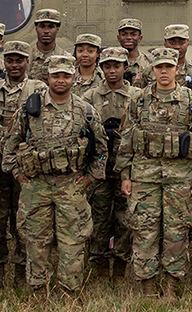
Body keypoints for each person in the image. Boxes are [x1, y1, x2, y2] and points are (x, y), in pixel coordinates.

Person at [118, 47, 192, 303]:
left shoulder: (191, 100)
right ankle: (148, 285)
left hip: (180, 177)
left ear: (177, 69)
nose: (164, 71)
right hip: (144, 176)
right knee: (144, 230)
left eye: (169, 66)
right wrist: (125, 174)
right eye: (160, 67)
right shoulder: (138, 100)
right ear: (153, 70)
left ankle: (171, 285)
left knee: (177, 231)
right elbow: (126, 139)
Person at [7, 55, 99, 296]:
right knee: (35, 241)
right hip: (37, 186)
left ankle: (70, 292)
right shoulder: (30, 109)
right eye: (55, 75)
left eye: (66, 76)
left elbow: (102, 152)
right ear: (47, 77)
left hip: (71, 186)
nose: (60, 80)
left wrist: (89, 178)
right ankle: (39, 291)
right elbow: (10, 147)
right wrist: (19, 177)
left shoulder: (86, 111)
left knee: (73, 241)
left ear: (74, 78)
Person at [0, 40, 46, 288]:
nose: (14, 65)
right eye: (10, 60)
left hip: (25, 165)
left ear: (27, 62)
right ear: (4, 62)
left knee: (24, 219)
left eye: (19, 60)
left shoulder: (38, 89)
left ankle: (20, 270)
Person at [85, 47, 140, 281]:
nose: (112, 71)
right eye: (107, 66)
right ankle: (98, 265)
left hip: (127, 168)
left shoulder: (137, 96)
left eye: (116, 66)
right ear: (101, 68)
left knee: (124, 217)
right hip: (99, 167)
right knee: (98, 217)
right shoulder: (90, 97)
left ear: (125, 67)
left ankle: (119, 266)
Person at [27, 9, 67, 83]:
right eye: (42, 27)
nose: (46, 31)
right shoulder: (26, 57)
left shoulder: (65, 58)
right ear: (36, 28)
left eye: (51, 27)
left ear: (57, 29)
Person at [117, 18, 150, 88]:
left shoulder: (149, 63)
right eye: (124, 34)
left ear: (140, 38)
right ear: (119, 38)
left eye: (133, 34)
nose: (128, 37)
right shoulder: (110, 63)